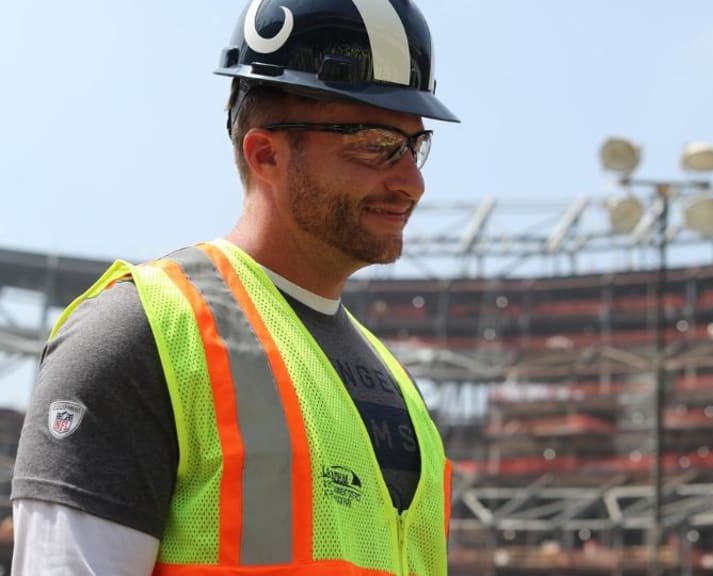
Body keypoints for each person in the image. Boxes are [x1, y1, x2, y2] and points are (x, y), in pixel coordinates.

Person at [11, 0, 459, 574]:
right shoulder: (141, 332)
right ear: (266, 153)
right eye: (376, 143)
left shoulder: (396, 379)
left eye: (416, 145)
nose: (411, 182)